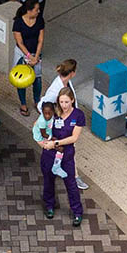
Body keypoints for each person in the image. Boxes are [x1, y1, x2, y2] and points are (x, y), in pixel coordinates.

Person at [37, 60, 88, 191]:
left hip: (67, 121)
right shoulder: (55, 89)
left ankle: (58, 167)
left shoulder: (65, 82)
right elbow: (42, 105)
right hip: (60, 124)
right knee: (67, 148)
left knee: (65, 148)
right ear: (72, 73)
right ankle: (74, 176)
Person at [40, 88, 85, 226]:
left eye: (66, 101)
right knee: (48, 179)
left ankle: (77, 212)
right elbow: (39, 126)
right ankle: (49, 206)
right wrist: (44, 142)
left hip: (66, 154)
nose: (64, 105)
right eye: (61, 102)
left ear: (72, 100)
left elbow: (74, 137)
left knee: (70, 182)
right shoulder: (53, 112)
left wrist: (56, 143)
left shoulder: (78, 115)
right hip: (50, 153)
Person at [11, 0, 44, 115]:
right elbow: (20, 43)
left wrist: (36, 56)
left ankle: (37, 101)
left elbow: (40, 40)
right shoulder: (18, 23)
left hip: (36, 53)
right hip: (23, 53)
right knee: (21, 79)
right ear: (29, 11)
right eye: (36, 10)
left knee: (37, 79)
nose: (38, 12)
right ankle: (23, 103)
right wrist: (29, 56)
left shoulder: (39, 20)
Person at [33, 101, 67, 179]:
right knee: (60, 148)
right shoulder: (42, 121)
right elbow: (43, 134)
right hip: (41, 139)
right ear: (42, 112)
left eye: (49, 113)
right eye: (45, 113)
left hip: (47, 133)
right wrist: (52, 138)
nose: (47, 116)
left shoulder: (51, 115)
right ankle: (56, 167)